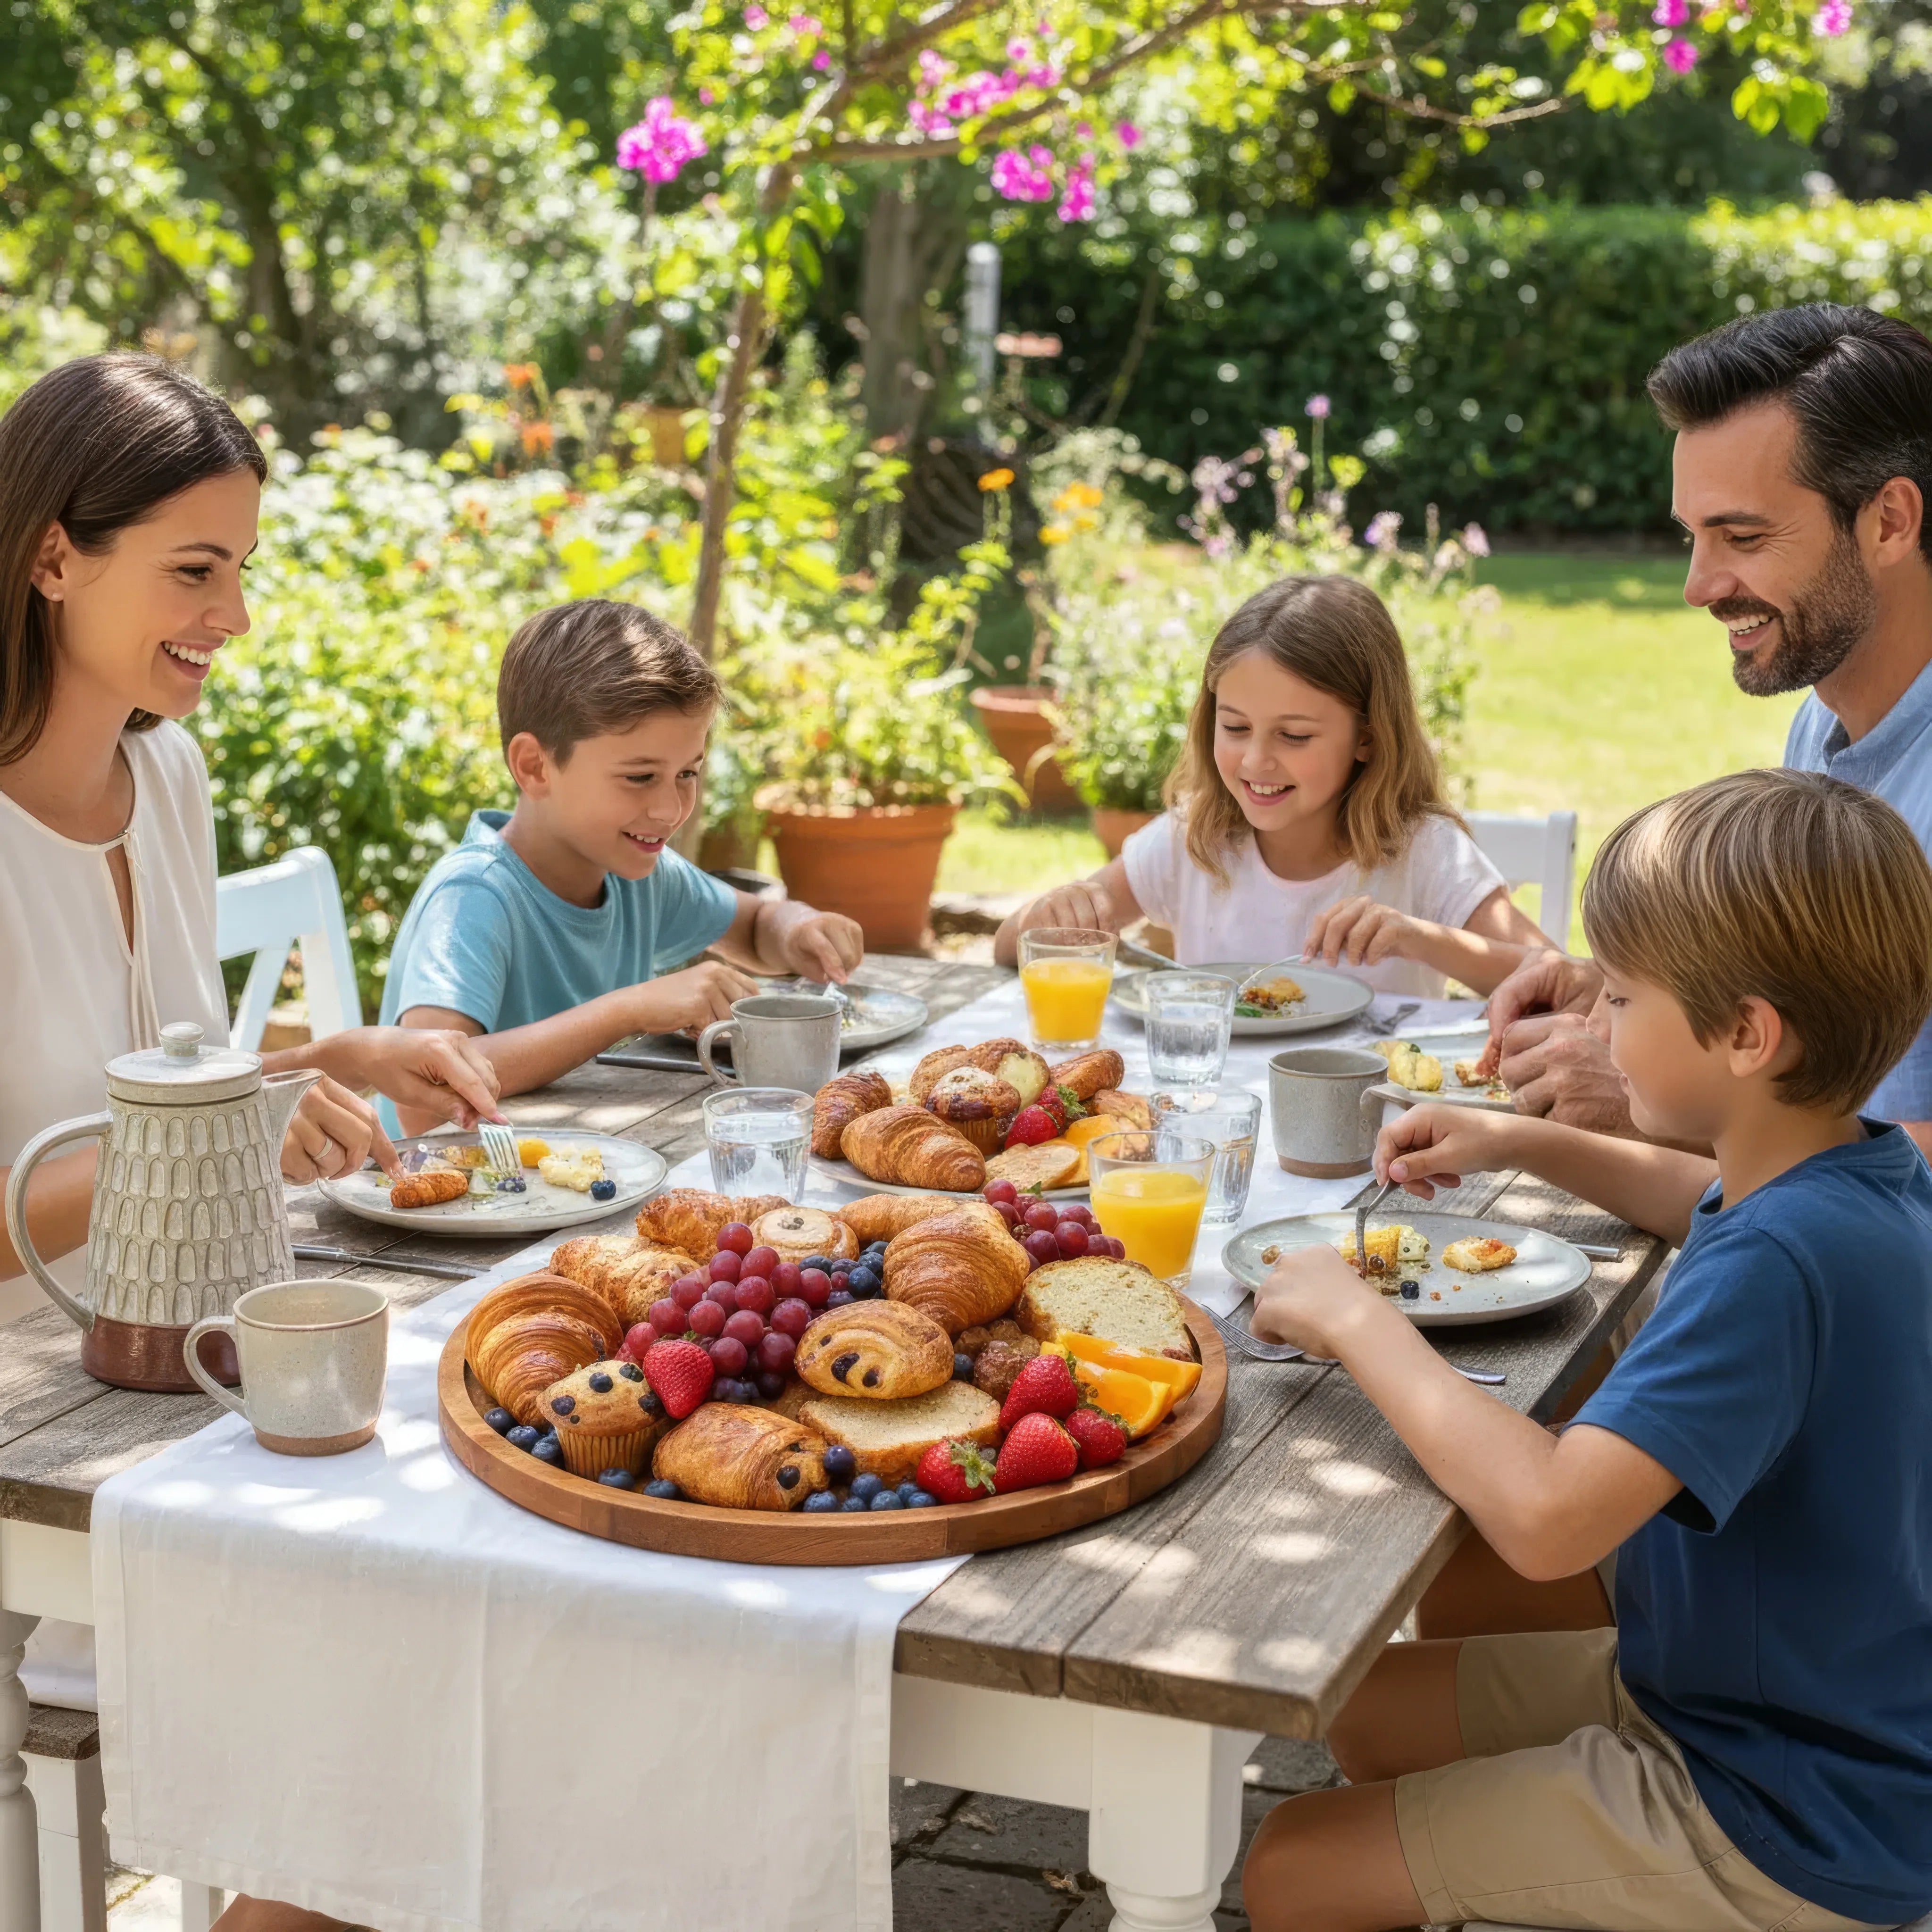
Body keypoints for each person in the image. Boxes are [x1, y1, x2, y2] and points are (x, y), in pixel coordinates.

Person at [1241, 768, 1932, 1932]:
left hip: (1786, 1803)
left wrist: (1358, 1320)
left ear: (1746, 1035)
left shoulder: (1778, 1264)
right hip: (1755, 1693)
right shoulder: (1853, 1173)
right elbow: (1695, 1196)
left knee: (1292, 1866)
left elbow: (1549, 1517)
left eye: (1617, 997)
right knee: (1363, 1708)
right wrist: (1519, 1140)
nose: (1594, 1025)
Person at [0, 353, 503, 1306]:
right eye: (195, 569)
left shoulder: (168, 776)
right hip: (34, 1379)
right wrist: (226, 1128)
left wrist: (323, 1062)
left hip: (204, 1326)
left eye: (239, 570)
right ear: (53, 559)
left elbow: (149, 1096)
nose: (234, 616)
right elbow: (167, 1133)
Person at [1487, 302, 1932, 1149]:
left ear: (1890, 521)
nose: (1698, 586)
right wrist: (1642, 1007)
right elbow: (1807, 1035)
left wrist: (1649, 1103)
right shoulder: (1823, 723)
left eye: (1743, 536)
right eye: (1694, 536)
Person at [380, 597, 864, 1126]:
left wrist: (798, 928)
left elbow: (753, 926)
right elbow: (424, 1094)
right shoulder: (474, 897)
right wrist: (629, 1009)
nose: (671, 809)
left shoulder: (638, 873)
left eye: (688, 773)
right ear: (535, 767)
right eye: (640, 777)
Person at [994, 575, 1553, 994]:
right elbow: (1005, 947)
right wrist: (1054, 917)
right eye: (1235, 728)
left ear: (1367, 738)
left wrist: (1420, 939)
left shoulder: (1424, 853)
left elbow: (1566, 984)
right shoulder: (1193, 840)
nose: (1256, 761)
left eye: (1294, 736)